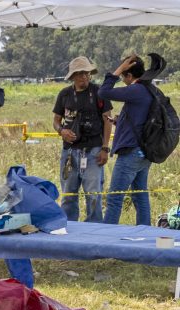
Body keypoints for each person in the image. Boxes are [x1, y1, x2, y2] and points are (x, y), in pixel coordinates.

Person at [53, 57, 113, 223]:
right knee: (68, 195)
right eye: (79, 74)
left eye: (86, 73)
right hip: (70, 152)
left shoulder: (99, 92)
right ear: (72, 76)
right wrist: (61, 131)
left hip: (93, 150)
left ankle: (94, 230)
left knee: (93, 194)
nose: (84, 77)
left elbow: (108, 122)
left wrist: (105, 148)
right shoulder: (64, 94)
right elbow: (56, 121)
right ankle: (69, 228)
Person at [99, 54, 154, 225]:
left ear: (129, 76)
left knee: (115, 198)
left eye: (123, 76)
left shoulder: (136, 89)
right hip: (143, 152)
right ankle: (144, 234)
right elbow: (140, 119)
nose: (122, 80)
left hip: (130, 152)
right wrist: (118, 122)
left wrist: (119, 69)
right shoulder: (149, 89)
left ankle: (108, 238)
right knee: (140, 196)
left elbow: (103, 92)